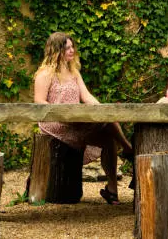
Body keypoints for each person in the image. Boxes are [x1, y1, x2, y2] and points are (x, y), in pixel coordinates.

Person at [34, 32, 133, 205]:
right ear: (56, 51)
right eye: (67, 48)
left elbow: (87, 97)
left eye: (72, 47)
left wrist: (102, 109)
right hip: (55, 124)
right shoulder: (45, 74)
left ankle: (112, 191)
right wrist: (61, 112)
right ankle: (129, 150)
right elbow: (39, 102)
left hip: (75, 121)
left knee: (109, 137)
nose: (72, 51)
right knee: (109, 123)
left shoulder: (74, 72)